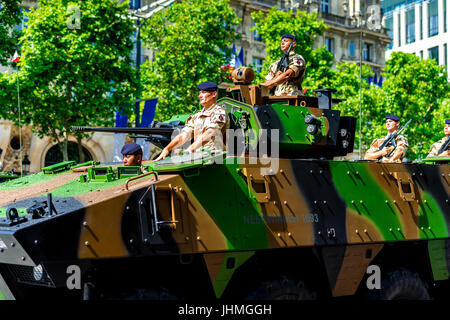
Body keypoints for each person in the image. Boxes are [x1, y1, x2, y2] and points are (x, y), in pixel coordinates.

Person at [154, 81, 229, 161]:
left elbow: (211, 132)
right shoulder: (196, 116)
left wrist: (192, 147)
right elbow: (184, 135)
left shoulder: (219, 112)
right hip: (198, 158)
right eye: (199, 93)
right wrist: (167, 148)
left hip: (216, 158)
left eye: (203, 93)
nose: (200, 96)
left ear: (214, 94)